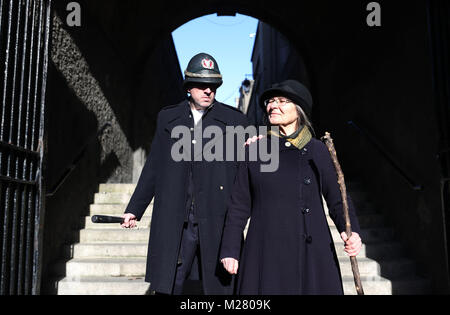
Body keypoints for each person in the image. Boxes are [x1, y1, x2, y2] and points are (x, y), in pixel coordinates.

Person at [121, 53, 249, 295]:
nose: (207, 91)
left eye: (212, 86)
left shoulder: (235, 121)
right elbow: (154, 165)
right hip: (177, 218)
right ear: (188, 86)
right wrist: (135, 208)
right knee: (172, 282)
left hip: (216, 215)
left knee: (220, 286)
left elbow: (245, 171)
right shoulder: (168, 118)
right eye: (201, 85)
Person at [219, 79, 362, 295]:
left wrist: (351, 231)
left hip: (311, 252)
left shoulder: (318, 150)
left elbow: (336, 198)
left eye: (282, 101)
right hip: (265, 249)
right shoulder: (255, 150)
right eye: (271, 101)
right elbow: (239, 204)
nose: (273, 106)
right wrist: (230, 248)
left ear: (299, 110)